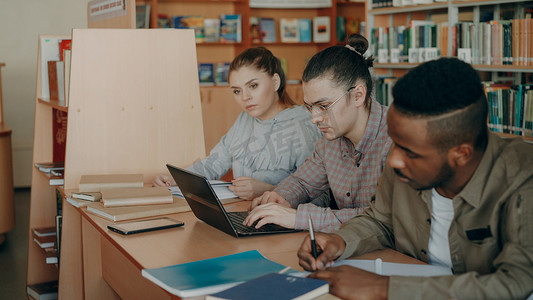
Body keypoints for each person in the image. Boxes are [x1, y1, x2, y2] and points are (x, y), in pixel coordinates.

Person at [298, 58, 533, 299]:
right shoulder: (404, 161)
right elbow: (380, 220)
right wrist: (340, 240)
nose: (394, 160)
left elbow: (516, 282)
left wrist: (385, 288)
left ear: (461, 154)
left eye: (410, 152)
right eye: (395, 142)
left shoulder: (523, 177)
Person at [244, 34, 392, 232]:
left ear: (358, 95)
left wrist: (300, 218)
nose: (314, 118)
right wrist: (281, 197)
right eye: (310, 107)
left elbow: (382, 218)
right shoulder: (330, 141)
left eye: (323, 105)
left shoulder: (396, 140)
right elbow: (302, 182)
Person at [153, 47, 322, 200]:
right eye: (237, 91)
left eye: (253, 86)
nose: (245, 97)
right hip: (243, 212)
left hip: (284, 222)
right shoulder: (245, 119)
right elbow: (215, 162)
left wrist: (270, 190)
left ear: (275, 82)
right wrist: (176, 179)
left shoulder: (304, 124)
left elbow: (318, 194)